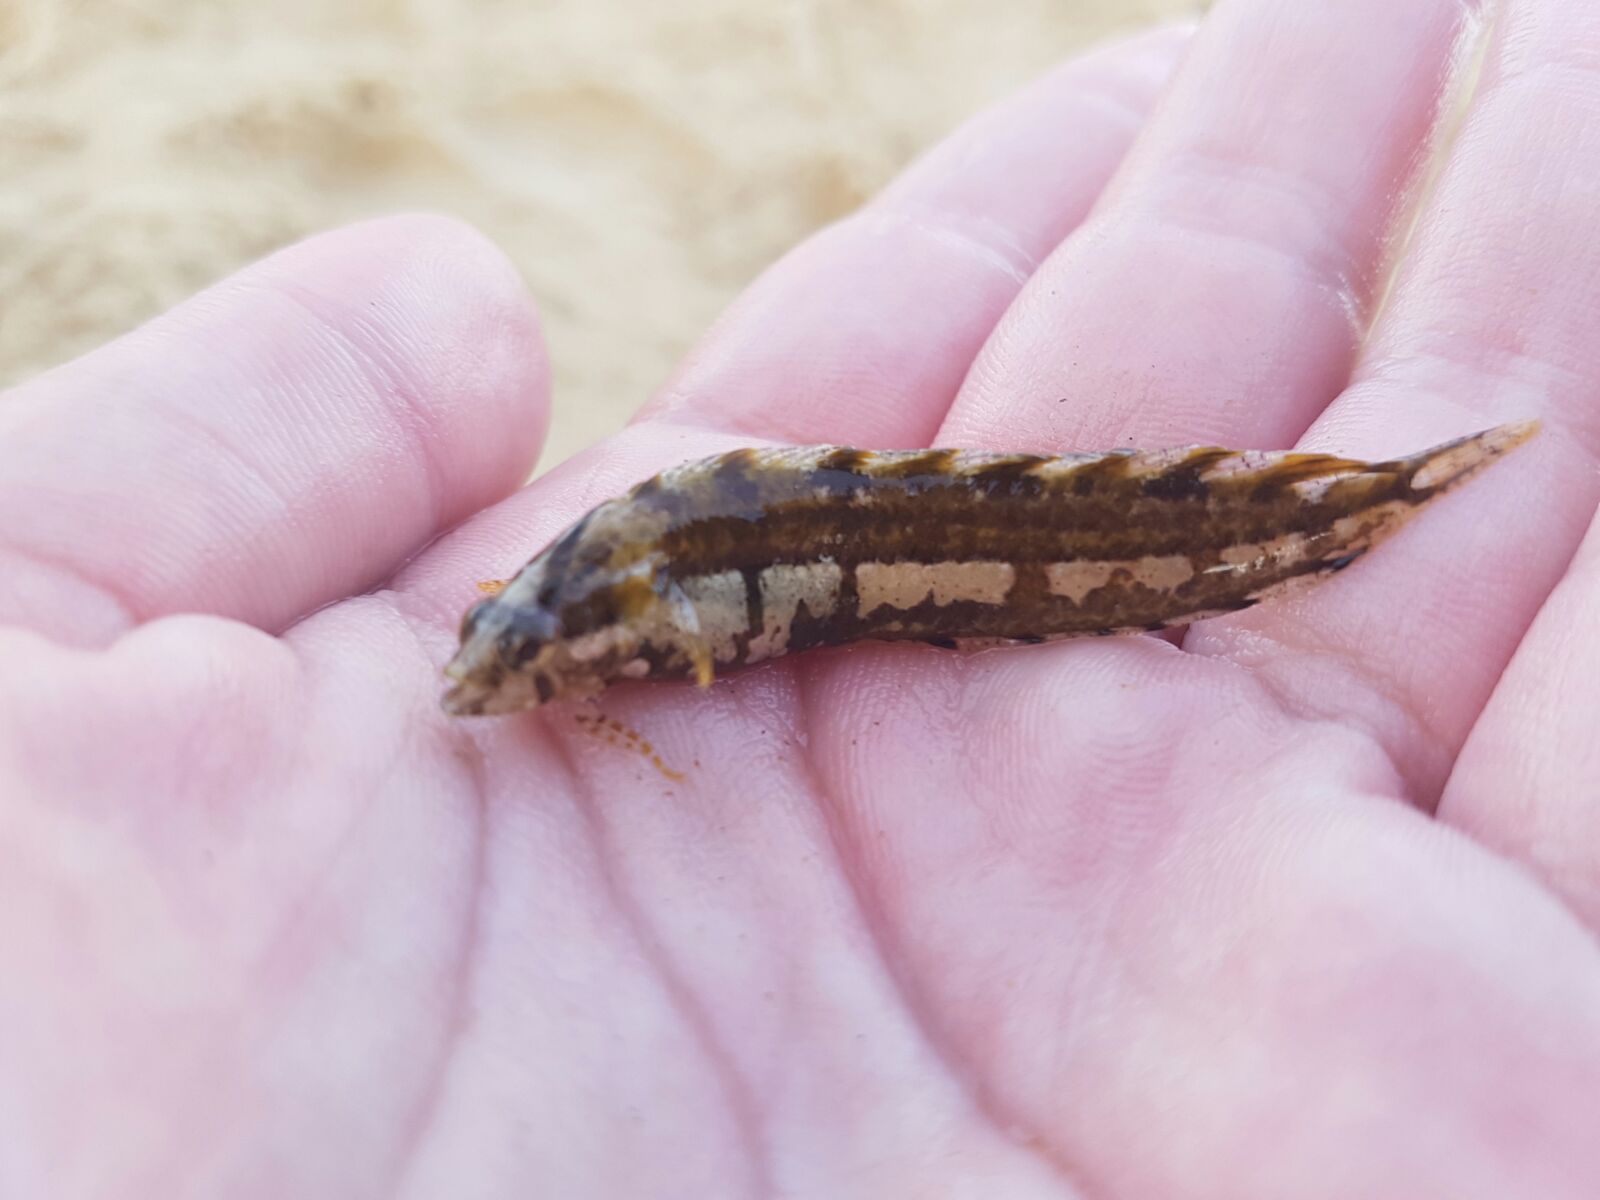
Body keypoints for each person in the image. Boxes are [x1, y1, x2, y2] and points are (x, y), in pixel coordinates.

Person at [4, 2, 1600, 1195]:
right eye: (516, 662)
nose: (495, 690)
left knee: (1165, 539)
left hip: (873, 541)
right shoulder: (590, 626)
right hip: (815, 548)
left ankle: (1375, 503)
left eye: (525, 660)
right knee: (1133, 541)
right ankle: (1371, 500)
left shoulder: (631, 618)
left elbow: (713, 614)